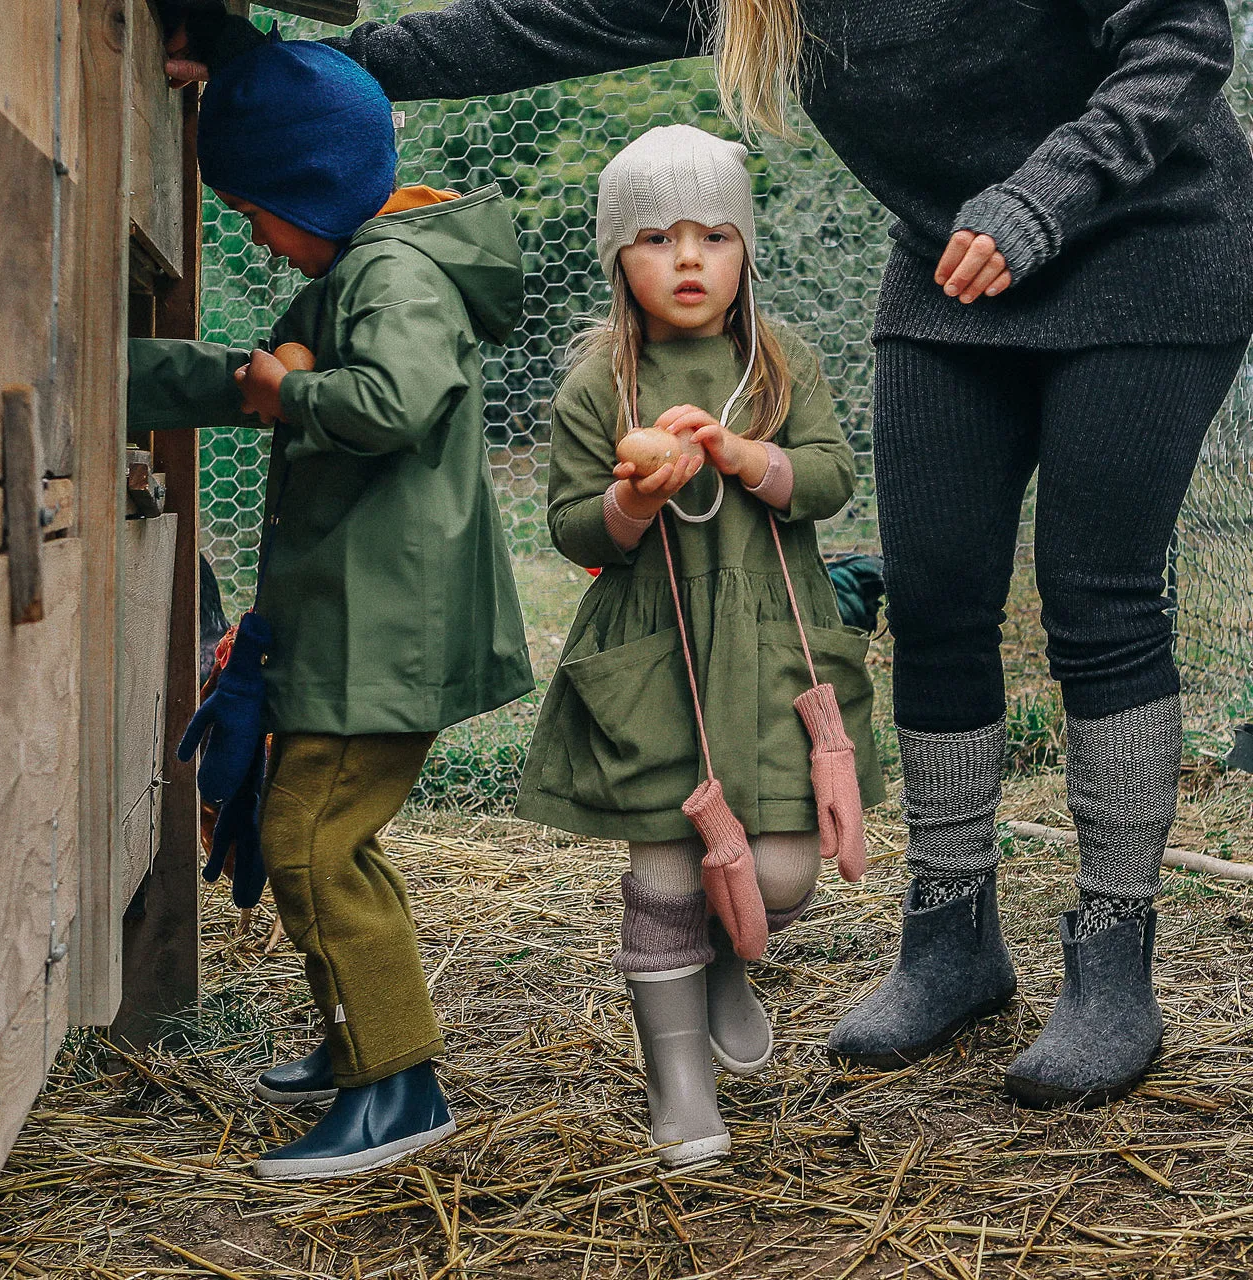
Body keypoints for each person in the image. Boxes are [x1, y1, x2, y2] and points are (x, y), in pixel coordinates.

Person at [162, 0, 1253, 1109]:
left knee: (1095, 600)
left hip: (1142, 245)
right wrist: (295, 73)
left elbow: (1182, 36)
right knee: (933, 599)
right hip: (950, 272)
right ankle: (949, 936)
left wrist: (1043, 194)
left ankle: (1113, 962)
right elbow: (547, 25)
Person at [129, 34, 533, 1178]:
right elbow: (262, 378)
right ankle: (363, 1040)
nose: (252, 233)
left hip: (386, 638)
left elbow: (394, 399)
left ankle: (397, 1092)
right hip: (360, 628)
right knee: (326, 837)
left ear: (306, 191)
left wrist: (290, 389)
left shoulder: (393, 277)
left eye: (253, 209)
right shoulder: (357, 274)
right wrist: (149, 374)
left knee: (310, 840)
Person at [512, 124, 883, 1165]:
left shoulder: (776, 363)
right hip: (652, 657)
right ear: (616, 258)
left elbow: (828, 478)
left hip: (771, 637)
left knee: (778, 870)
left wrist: (738, 451)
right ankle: (678, 1088)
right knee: (667, 864)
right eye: (655, 237)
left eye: (712, 235)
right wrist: (630, 496)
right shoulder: (598, 385)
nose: (686, 258)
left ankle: (735, 947)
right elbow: (573, 530)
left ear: (743, 252)